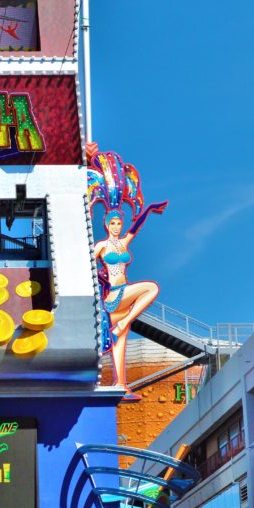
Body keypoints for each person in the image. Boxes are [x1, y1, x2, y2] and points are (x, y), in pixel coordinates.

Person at [88, 148, 167, 401]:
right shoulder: (101, 247)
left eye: (119, 223)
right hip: (114, 295)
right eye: (113, 223)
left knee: (121, 338)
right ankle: (124, 322)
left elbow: (137, 224)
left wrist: (150, 208)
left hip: (123, 301)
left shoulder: (123, 244)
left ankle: (121, 384)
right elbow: (86, 260)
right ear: (106, 224)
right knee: (150, 289)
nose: (117, 226)